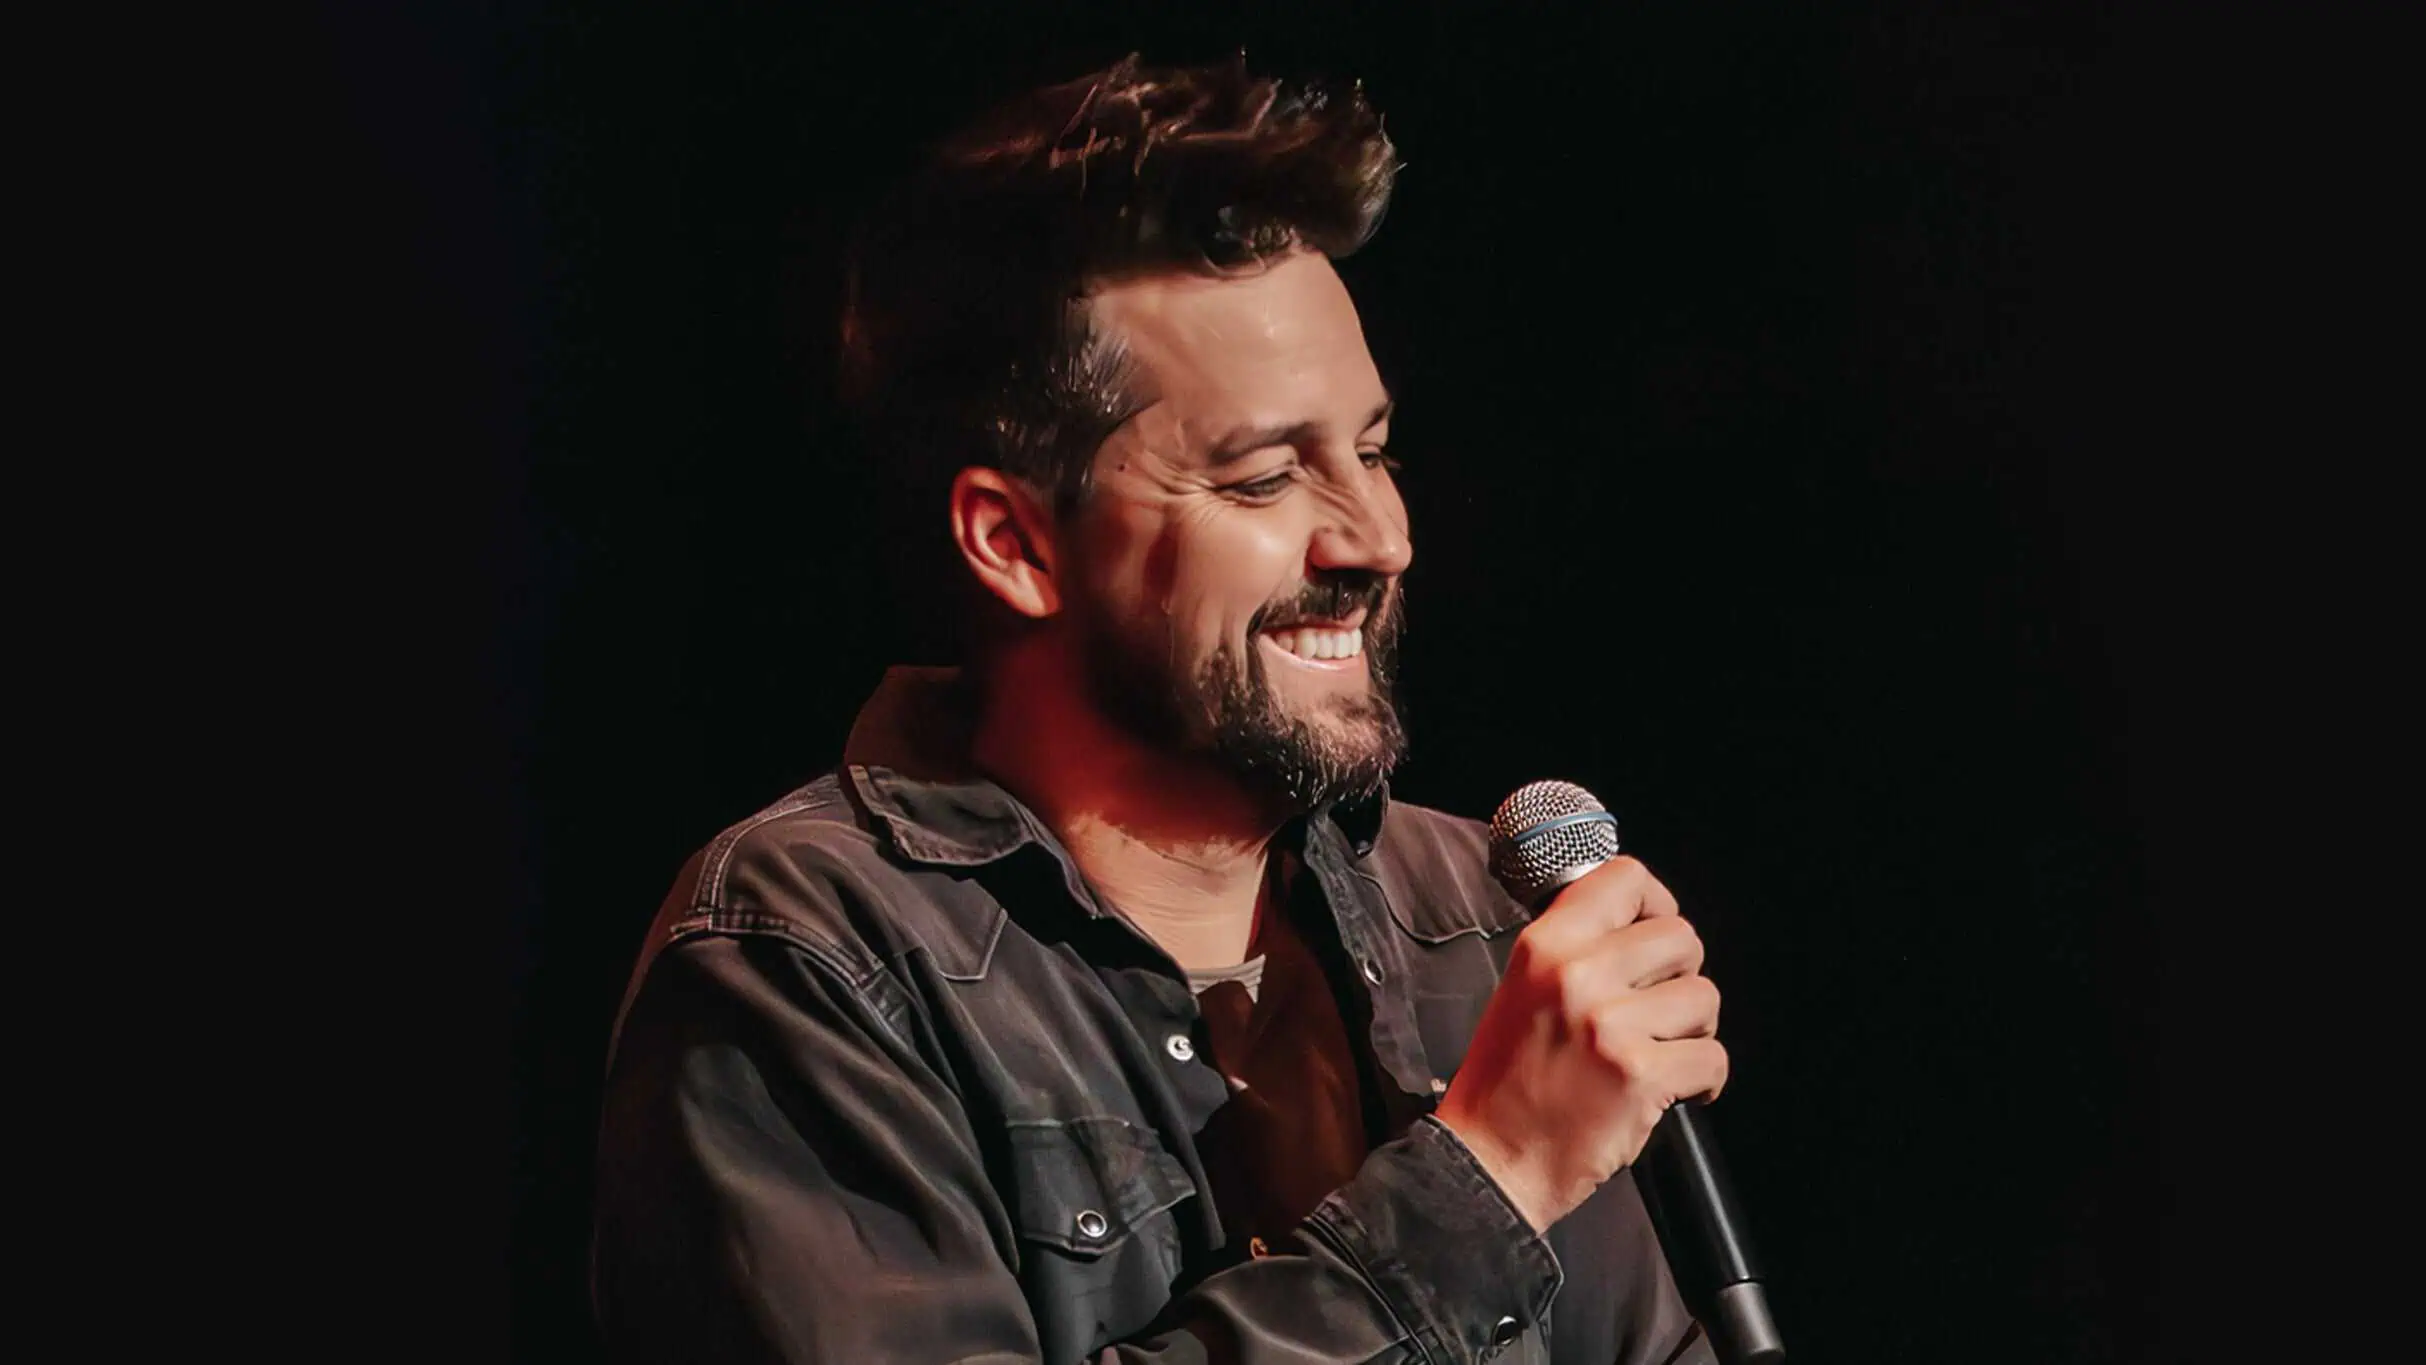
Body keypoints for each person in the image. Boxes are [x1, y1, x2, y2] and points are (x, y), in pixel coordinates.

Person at [591, 53, 1728, 1365]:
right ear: (1014, 543)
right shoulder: (810, 959)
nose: (1378, 537)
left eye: (1370, 451)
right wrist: (1494, 1176)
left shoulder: (1476, 921)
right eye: (1262, 479)